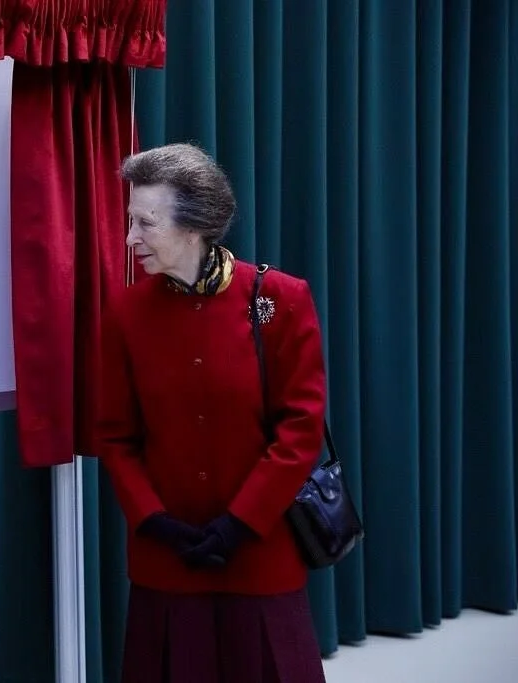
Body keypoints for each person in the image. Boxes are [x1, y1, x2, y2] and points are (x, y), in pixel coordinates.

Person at [97, 142, 328, 682]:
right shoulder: (126, 312)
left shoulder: (281, 301)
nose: (130, 238)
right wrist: (154, 522)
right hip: (167, 557)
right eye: (131, 221)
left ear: (194, 224)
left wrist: (239, 526)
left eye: (145, 223)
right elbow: (114, 434)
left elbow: (300, 430)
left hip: (260, 551)